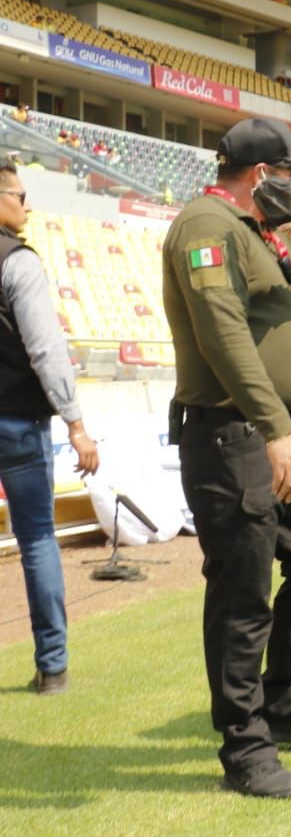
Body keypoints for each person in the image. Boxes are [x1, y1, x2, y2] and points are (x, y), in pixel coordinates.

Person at [162, 118, 291, 799]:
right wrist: (274, 429)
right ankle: (244, 746)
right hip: (236, 433)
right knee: (243, 593)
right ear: (260, 174)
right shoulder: (206, 225)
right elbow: (221, 333)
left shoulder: (267, 228)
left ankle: (285, 701)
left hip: (286, 427)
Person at [0, 164, 99, 694]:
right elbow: (45, 349)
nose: (28, 206)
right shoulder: (18, 260)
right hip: (16, 419)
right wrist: (76, 424)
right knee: (37, 536)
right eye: (21, 196)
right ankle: (52, 667)